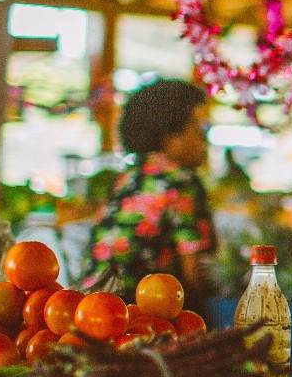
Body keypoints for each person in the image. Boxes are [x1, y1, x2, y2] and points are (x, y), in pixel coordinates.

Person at [86, 78, 218, 300]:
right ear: (170, 137)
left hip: (94, 307)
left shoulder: (127, 178)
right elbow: (194, 275)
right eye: (200, 129)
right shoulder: (180, 181)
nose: (206, 141)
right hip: (145, 313)